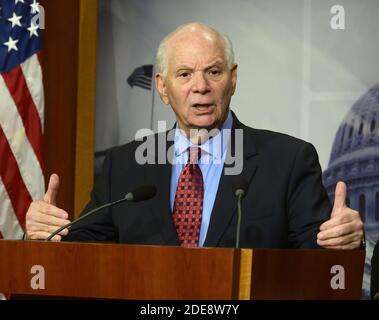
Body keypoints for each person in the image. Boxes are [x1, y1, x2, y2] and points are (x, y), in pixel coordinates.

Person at [25, 22, 364, 249]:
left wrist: (344, 240)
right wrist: (44, 235)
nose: (200, 87)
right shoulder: (124, 166)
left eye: (213, 72)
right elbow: (82, 255)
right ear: (162, 86)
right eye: (185, 74)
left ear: (232, 79)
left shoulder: (288, 160)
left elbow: (321, 261)